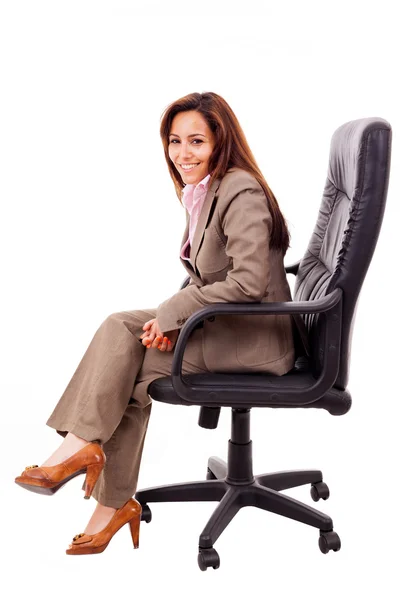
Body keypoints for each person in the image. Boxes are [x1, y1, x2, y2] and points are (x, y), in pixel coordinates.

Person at [15, 91, 309, 555]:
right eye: (175, 141)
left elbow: (249, 283)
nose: (183, 153)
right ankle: (87, 461)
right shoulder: (206, 188)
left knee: (128, 367)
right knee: (119, 328)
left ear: (221, 141)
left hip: (254, 339)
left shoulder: (241, 190)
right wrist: (170, 318)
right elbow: (207, 275)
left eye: (197, 141)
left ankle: (98, 486)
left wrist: (174, 313)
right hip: (223, 323)